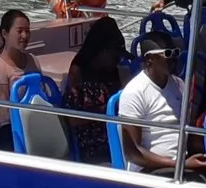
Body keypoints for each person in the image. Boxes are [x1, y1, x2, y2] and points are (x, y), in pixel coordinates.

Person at [116, 33, 191, 174]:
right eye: (167, 54)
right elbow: (133, 153)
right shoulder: (135, 91)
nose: (173, 58)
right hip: (149, 169)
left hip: (180, 162)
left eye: (176, 53)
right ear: (150, 59)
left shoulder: (179, 84)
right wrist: (180, 164)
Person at [61, 16, 129, 163]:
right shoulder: (78, 72)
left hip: (112, 131)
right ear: (102, 51)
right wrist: (104, 112)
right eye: (115, 57)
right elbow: (71, 119)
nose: (117, 61)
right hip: (92, 141)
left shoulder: (111, 71)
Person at [0, 8, 38, 104]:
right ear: (5, 33)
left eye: (27, 31)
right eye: (20, 31)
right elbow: (4, 115)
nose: (25, 36)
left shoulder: (33, 60)